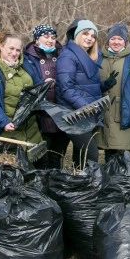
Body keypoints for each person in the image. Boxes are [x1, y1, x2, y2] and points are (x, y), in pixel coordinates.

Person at [97, 23, 130, 160]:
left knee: (123, 154)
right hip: (103, 112)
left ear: (125, 42)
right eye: (113, 39)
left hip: (124, 111)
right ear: (108, 40)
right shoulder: (99, 58)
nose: (116, 42)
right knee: (108, 152)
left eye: (120, 39)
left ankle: (123, 179)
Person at [56, 20, 104, 167]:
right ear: (77, 35)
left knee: (81, 155)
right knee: (91, 154)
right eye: (85, 33)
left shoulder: (88, 56)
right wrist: (85, 106)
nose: (89, 38)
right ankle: (87, 184)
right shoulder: (68, 56)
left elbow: (85, 84)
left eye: (93, 36)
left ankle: (80, 185)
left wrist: (105, 84)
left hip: (85, 112)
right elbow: (66, 88)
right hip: (72, 114)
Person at [0, 32, 43, 148]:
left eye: (18, 50)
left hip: (31, 130)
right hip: (7, 131)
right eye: (11, 48)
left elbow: (37, 85)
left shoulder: (25, 65)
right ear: (1, 46)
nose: (14, 53)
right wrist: (3, 122)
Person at [24, 23, 70, 169]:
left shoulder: (63, 55)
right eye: (46, 37)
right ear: (37, 39)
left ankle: (56, 181)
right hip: (41, 113)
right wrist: (42, 85)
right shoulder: (27, 58)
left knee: (57, 154)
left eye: (53, 37)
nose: (50, 40)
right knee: (42, 155)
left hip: (61, 109)